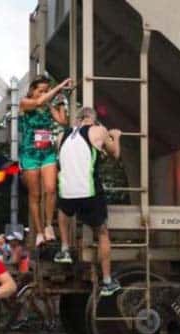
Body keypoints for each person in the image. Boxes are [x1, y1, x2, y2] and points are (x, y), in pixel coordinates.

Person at [54, 106, 122, 296]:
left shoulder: (62, 136)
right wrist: (115, 136)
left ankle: (65, 249)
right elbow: (115, 154)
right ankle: (107, 281)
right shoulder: (98, 131)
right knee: (102, 233)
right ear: (93, 120)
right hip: (89, 192)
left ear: (77, 120)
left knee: (63, 211)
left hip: (67, 193)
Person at [19, 75, 72, 247]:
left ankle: (49, 225)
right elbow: (37, 102)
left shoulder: (48, 105)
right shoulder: (25, 103)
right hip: (29, 154)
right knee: (35, 195)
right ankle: (39, 232)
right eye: (41, 90)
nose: (44, 93)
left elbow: (63, 121)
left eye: (46, 90)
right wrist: (59, 86)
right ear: (32, 91)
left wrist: (61, 102)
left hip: (47, 152)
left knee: (50, 188)